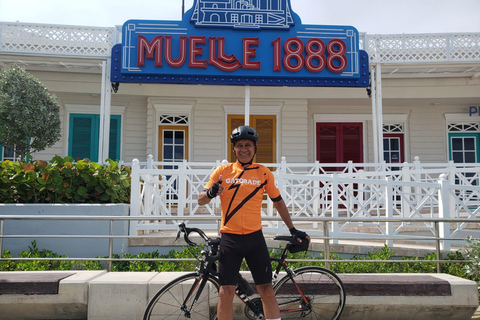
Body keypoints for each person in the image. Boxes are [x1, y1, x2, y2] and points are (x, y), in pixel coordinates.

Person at [198, 125, 310, 320]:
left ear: (254, 148)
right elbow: (200, 199)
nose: (244, 149)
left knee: (266, 289)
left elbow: (278, 201)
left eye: (248, 145)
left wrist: (292, 229)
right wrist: (211, 193)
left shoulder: (263, 173)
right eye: (239, 145)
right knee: (225, 292)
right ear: (233, 149)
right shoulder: (223, 172)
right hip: (229, 240)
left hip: (254, 239)